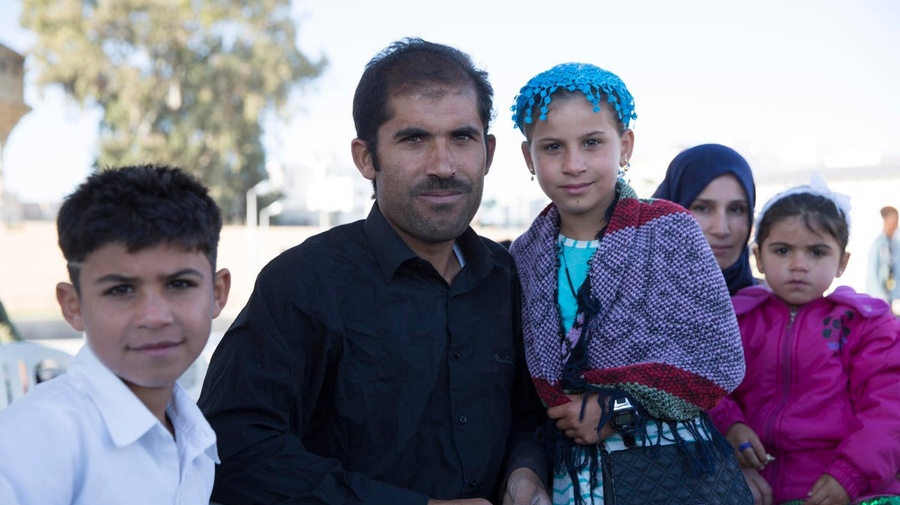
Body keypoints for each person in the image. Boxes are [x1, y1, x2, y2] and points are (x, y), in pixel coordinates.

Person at [198, 37, 549, 505]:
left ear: (487, 150)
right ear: (366, 157)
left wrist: (524, 471)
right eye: (414, 139)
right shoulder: (304, 283)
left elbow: (530, 413)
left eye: (461, 138)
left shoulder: (508, 278)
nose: (443, 166)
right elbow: (236, 447)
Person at [508, 62, 748, 504]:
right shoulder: (523, 255)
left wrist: (616, 407)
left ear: (625, 147)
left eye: (592, 142)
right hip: (571, 477)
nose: (573, 164)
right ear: (528, 157)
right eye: (553, 147)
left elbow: (718, 359)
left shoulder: (670, 230)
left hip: (672, 472)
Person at [0, 164, 231, 504]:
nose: (154, 317)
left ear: (218, 292)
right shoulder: (38, 440)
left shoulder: (194, 439)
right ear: (73, 305)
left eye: (179, 284)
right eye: (121, 290)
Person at [710, 176, 900, 505]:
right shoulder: (737, 320)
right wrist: (729, 426)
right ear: (758, 257)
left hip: (845, 490)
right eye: (782, 250)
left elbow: (888, 410)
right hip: (752, 487)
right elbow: (707, 385)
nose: (799, 265)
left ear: (842, 262)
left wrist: (852, 474)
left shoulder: (866, 326)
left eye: (816, 252)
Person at [652, 143, 758, 295]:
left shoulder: (775, 313)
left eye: (736, 209)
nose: (721, 229)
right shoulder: (624, 306)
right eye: (702, 208)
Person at [867, 205, 900, 314]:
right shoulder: (878, 244)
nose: (895, 225)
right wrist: (881, 298)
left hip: (893, 297)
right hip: (881, 297)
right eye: (893, 221)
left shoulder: (896, 243)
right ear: (885, 221)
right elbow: (872, 273)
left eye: (897, 221)